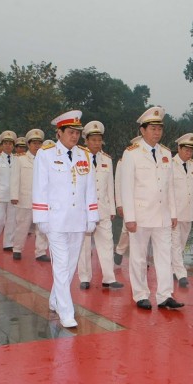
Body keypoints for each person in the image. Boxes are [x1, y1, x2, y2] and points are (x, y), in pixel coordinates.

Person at [32, 110, 99, 328]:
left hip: (78, 219)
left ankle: (55, 299)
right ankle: (66, 311)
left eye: (77, 133)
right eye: (70, 132)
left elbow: (90, 188)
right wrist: (41, 216)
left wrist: (92, 215)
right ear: (59, 133)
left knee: (70, 265)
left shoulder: (84, 155)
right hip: (56, 219)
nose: (75, 136)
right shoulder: (46, 154)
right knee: (60, 265)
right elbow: (40, 187)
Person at [120, 107, 183, 310]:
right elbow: (126, 188)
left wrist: (173, 213)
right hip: (140, 214)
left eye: (159, 129)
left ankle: (165, 295)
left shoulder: (166, 153)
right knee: (138, 257)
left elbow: (170, 187)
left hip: (162, 215)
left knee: (165, 256)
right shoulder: (131, 154)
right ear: (142, 130)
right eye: (153, 128)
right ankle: (140, 294)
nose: (157, 132)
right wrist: (129, 217)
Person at [78, 121, 123, 289]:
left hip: (103, 209)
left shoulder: (107, 160)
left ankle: (109, 278)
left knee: (107, 243)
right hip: (83, 210)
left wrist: (111, 208)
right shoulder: (79, 158)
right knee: (84, 244)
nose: (97, 143)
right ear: (86, 141)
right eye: (93, 140)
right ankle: (84, 277)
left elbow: (109, 185)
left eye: (99, 140)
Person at [10, 128, 50, 262]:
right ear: (28, 144)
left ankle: (41, 252)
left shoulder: (45, 159)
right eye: (34, 143)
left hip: (42, 200)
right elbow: (15, 179)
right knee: (22, 225)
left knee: (41, 228)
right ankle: (17, 248)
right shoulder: (20, 159)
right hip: (25, 197)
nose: (37, 146)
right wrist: (14, 196)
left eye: (39, 143)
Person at [171, 133, 193, 288]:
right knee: (175, 243)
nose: (189, 153)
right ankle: (181, 273)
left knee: (182, 243)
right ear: (179, 149)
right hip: (175, 211)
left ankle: (172, 268)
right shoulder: (170, 164)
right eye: (186, 150)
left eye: (191, 150)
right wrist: (170, 212)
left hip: (188, 212)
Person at [113, 135, 141, 266]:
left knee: (144, 231)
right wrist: (119, 204)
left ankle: (141, 257)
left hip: (144, 203)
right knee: (126, 229)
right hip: (129, 201)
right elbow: (118, 184)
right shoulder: (122, 161)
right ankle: (119, 251)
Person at [0, 130, 18, 252]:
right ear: (2, 144)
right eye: (5, 143)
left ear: (13, 145)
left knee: (12, 220)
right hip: (0, 195)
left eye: (10, 143)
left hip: (13, 195)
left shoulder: (17, 159)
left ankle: (8, 243)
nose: (8, 145)